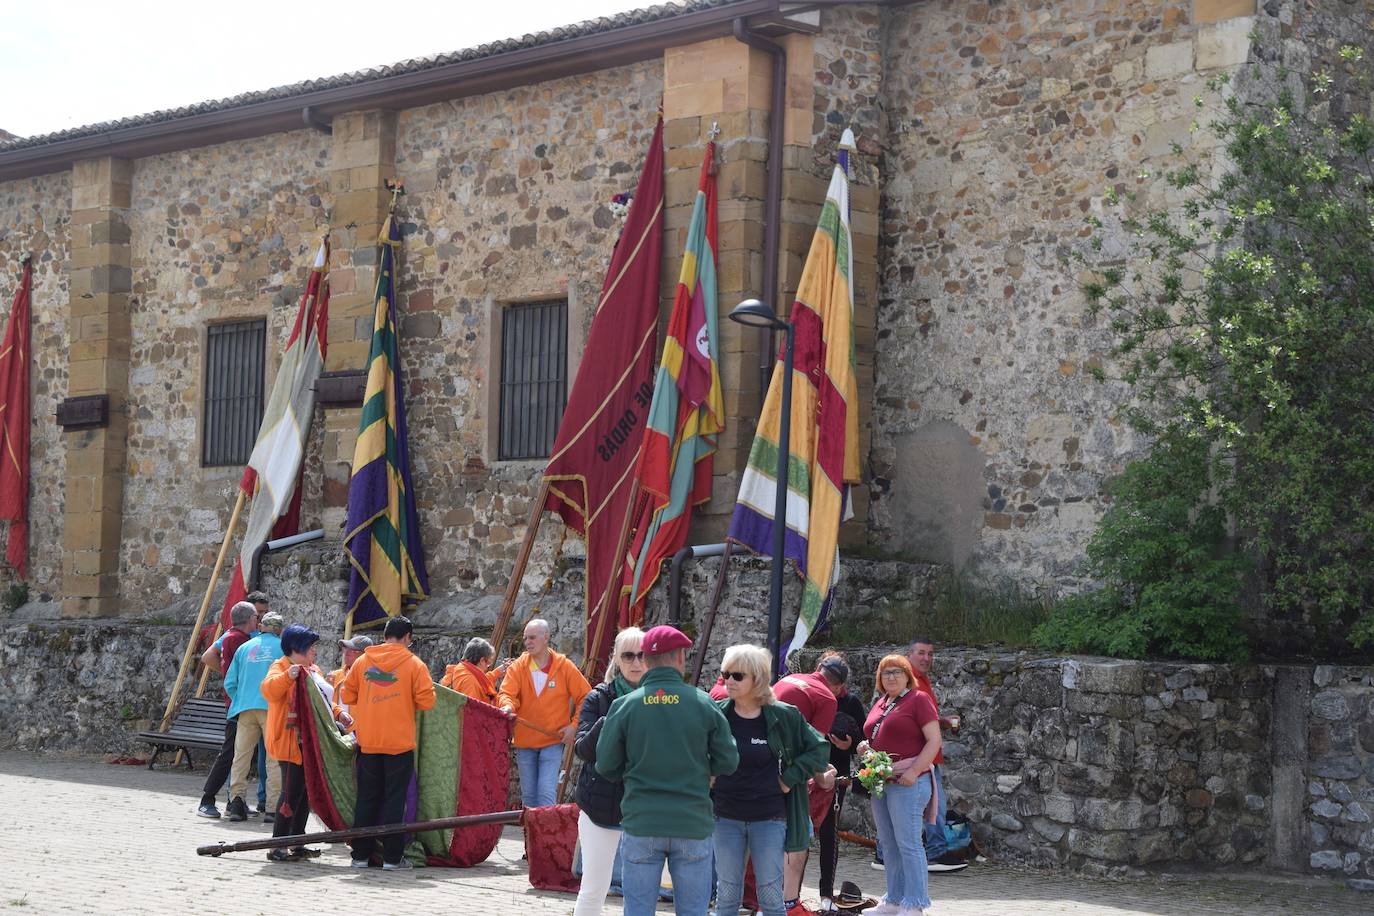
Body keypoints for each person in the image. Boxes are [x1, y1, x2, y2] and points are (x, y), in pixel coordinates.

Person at [595, 625, 739, 916]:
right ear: (681, 658)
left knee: (636, 910)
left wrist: (633, 768)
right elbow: (729, 760)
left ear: (645, 661)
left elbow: (605, 765)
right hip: (691, 821)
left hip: (642, 820)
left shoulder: (624, 706)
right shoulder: (703, 703)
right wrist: (702, 769)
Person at [713, 644, 832, 916]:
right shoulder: (717, 714)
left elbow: (818, 749)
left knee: (769, 894)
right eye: (725, 673)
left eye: (737, 676)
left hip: (769, 817)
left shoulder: (785, 715)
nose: (728, 681)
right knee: (728, 893)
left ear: (757, 678)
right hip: (725, 816)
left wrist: (788, 779)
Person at [340, 616, 437, 869]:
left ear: (384, 635)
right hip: (399, 744)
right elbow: (427, 702)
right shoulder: (415, 664)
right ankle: (392, 859)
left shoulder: (362, 662)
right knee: (395, 801)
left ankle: (360, 856)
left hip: (368, 741)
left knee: (367, 798)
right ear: (408, 638)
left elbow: (347, 693)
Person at [857, 655, 941, 916]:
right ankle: (894, 900)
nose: (891, 677)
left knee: (909, 843)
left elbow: (934, 740)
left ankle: (915, 903)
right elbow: (880, 735)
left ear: (907, 675)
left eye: (897, 672)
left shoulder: (918, 699)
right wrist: (866, 748)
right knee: (888, 843)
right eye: (885, 673)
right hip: (882, 781)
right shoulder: (882, 702)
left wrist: (914, 772)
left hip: (908, 782)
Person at [572, 627, 645, 916]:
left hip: (643, 808)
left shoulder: (659, 700)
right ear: (616, 658)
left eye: (642, 655)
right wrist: (614, 715)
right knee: (594, 887)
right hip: (599, 806)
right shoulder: (598, 698)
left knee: (640, 892)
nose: (636, 662)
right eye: (628, 655)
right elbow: (583, 750)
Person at [772, 657, 846, 915]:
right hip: (788, 772)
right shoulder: (827, 697)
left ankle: (756, 898)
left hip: (761, 762)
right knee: (797, 834)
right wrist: (825, 777)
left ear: (818, 670)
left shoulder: (788, 679)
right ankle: (789, 904)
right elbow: (813, 747)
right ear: (838, 686)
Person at [497, 618, 591, 808]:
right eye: (525, 639)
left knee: (546, 793)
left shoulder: (564, 666)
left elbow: (586, 696)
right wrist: (507, 706)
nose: (527, 642)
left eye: (532, 637)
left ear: (546, 637)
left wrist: (574, 726)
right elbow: (507, 693)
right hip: (525, 742)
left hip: (552, 741)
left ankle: (546, 838)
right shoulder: (518, 667)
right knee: (529, 798)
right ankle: (532, 838)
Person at [260, 623, 327, 862]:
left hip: (307, 744)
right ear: (297, 647)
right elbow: (269, 690)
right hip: (289, 743)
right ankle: (278, 845)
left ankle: (297, 842)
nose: (314, 651)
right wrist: (288, 677)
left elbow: (326, 700)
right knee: (290, 795)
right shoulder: (280, 667)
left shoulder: (313, 670)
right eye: (311, 646)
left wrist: (339, 713)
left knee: (304, 795)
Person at [904, 638, 965, 873]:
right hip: (919, 757)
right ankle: (935, 852)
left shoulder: (923, 680)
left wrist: (941, 722)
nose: (927, 658)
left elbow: (922, 718)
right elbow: (910, 719)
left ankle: (885, 853)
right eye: (921, 653)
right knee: (927, 808)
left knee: (927, 807)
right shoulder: (908, 682)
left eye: (930, 653)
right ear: (909, 654)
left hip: (928, 757)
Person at [195, 598, 259, 818]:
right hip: (240, 703)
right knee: (231, 752)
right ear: (251, 619)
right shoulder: (241, 640)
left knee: (242, 752)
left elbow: (209, 657)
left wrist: (227, 672)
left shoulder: (232, 637)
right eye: (256, 617)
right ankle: (207, 798)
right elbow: (209, 658)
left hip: (240, 701)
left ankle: (235, 801)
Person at [222, 610, 284, 822]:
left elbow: (230, 682)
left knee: (241, 757)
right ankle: (272, 808)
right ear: (280, 630)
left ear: (262, 627)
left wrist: (240, 699)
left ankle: (236, 803)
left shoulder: (244, 647)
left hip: (245, 708)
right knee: (273, 758)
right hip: (272, 708)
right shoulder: (283, 648)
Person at [816, 652, 866, 912]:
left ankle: (826, 894)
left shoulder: (852, 703)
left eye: (840, 683)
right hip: (808, 771)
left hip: (837, 776)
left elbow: (863, 744)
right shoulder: (810, 695)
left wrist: (849, 745)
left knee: (828, 835)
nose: (838, 688)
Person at [441, 636, 507, 703]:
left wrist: (497, 673)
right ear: (482, 660)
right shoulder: (470, 682)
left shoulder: (459, 669)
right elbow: (473, 710)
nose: (487, 667)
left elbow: (479, 682)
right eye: (488, 663)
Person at [327, 634, 372, 732]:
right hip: (337, 733)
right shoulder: (333, 676)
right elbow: (326, 702)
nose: (346, 653)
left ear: (364, 656)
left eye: (353, 651)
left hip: (360, 735)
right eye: (345, 649)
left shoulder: (372, 680)